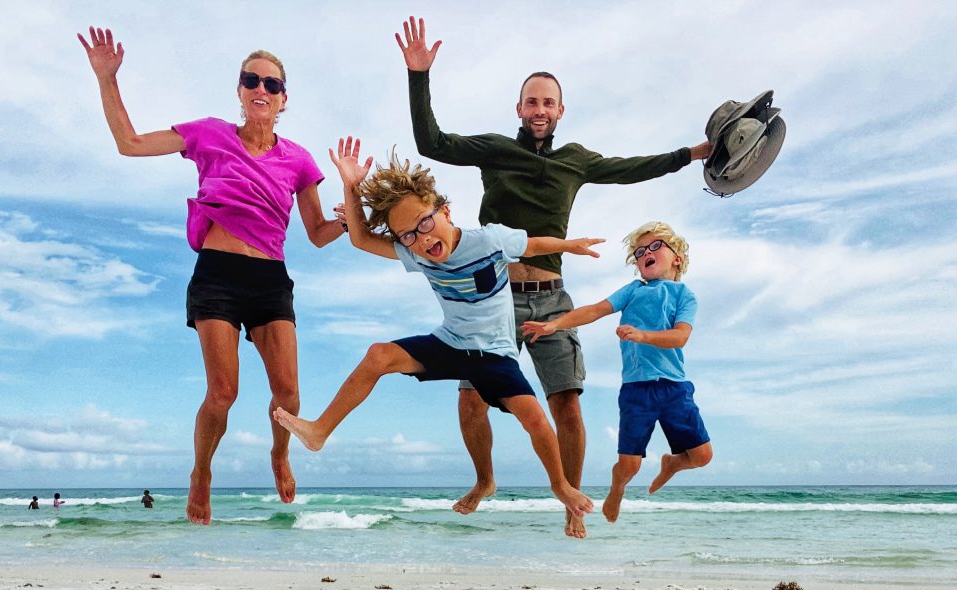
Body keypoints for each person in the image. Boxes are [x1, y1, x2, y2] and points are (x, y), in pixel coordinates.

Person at [396, 16, 713, 538]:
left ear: (560, 111)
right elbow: (432, 142)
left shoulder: (576, 161)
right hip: (495, 297)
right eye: (531, 101)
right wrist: (419, 76)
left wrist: (691, 155)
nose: (539, 110)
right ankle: (485, 480)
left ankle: (568, 496)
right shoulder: (497, 150)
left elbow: (633, 166)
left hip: (551, 296)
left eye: (548, 103)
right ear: (519, 109)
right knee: (471, 395)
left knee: (565, 402)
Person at [78, 27, 346, 525]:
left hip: (270, 280)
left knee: (288, 394)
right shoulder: (210, 133)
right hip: (218, 275)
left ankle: (279, 454)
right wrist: (106, 79)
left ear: (284, 99)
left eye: (271, 84)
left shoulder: (299, 160)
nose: (261, 90)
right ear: (241, 91)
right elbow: (129, 144)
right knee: (223, 393)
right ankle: (201, 472)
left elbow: (317, 233)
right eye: (252, 81)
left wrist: (351, 214)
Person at [273, 138, 601, 519]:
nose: (422, 238)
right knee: (379, 354)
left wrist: (569, 244)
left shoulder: (488, 240)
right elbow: (361, 238)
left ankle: (561, 485)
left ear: (445, 211)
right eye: (408, 235)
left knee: (536, 420)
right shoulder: (414, 254)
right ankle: (319, 431)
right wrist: (351, 188)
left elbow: (530, 245)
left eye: (425, 223)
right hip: (450, 343)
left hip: (495, 353)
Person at [522, 221, 713, 524]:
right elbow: (595, 310)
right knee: (629, 465)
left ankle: (672, 464)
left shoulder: (683, 296)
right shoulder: (633, 290)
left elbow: (680, 337)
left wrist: (643, 336)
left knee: (702, 457)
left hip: (674, 387)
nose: (645, 253)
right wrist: (554, 325)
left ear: (676, 258)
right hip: (637, 390)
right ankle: (616, 489)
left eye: (654, 247)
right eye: (639, 252)